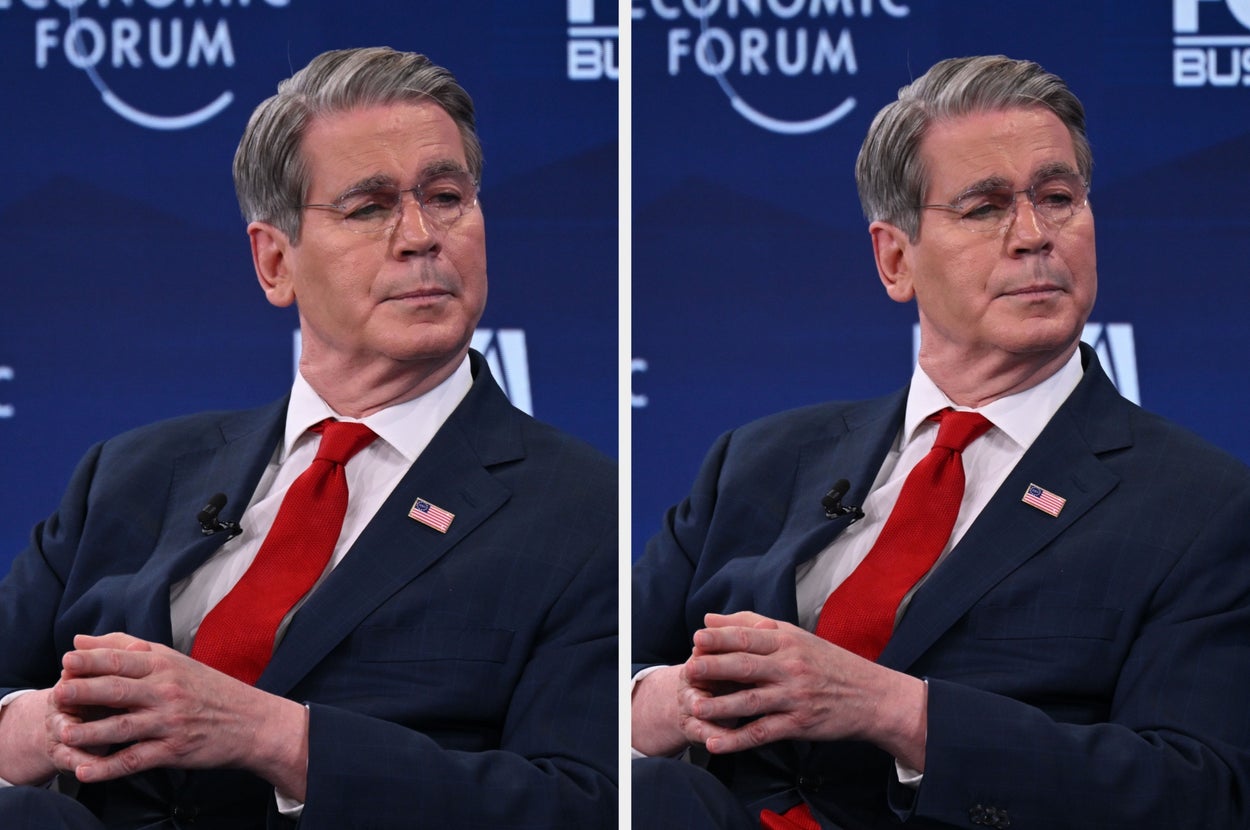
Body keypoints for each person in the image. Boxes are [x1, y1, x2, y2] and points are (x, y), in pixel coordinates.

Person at [0, 47, 616, 829]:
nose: (421, 236)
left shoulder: (581, 510)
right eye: (369, 208)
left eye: (447, 196)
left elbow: (583, 804)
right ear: (275, 262)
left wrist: (279, 739)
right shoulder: (130, 475)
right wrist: (44, 726)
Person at [632, 55, 1250, 829]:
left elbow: (1201, 792)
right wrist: (666, 703)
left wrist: (902, 714)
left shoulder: (1199, 507)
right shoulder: (756, 462)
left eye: (1058, 198)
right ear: (896, 259)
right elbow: (571, 681)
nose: (1034, 236)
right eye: (986, 207)